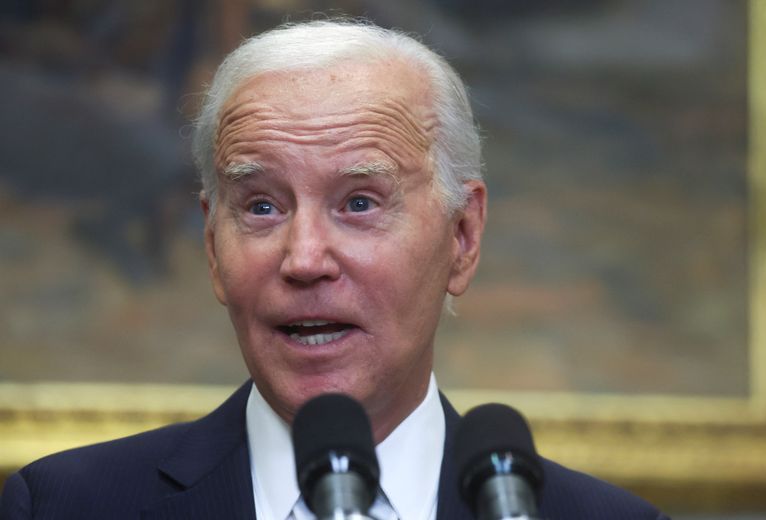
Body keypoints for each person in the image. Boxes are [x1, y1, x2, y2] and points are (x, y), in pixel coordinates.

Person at [0, 20, 669, 520]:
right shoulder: (66, 506)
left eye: (359, 203)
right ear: (211, 245)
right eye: (261, 206)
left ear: (462, 237)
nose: (305, 259)